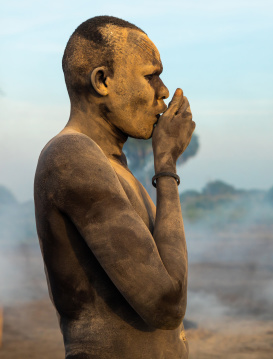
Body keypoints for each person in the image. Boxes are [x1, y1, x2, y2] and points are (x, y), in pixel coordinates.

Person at [33, 16, 195, 359]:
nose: (164, 91)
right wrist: (166, 167)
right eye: (151, 75)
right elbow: (166, 304)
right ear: (102, 81)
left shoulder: (115, 169)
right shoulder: (70, 154)